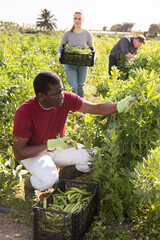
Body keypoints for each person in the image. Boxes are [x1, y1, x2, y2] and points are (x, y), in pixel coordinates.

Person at [13, 71, 135, 199]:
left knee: (93, 157)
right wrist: (50, 144)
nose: (61, 96)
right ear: (41, 96)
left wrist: (121, 105)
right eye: (55, 94)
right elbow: (19, 153)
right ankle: (30, 185)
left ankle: (61, 177)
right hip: (34, 154)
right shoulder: (25, 113)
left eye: (61, 90)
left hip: (57, 147)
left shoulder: (66, 99)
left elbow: (98, 109)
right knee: (47, 179)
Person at [58, 10, 94, 98]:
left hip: (83, 64)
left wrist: (93, 59)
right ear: (73, 19)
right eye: (75, 18)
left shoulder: (87, 34)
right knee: (73, 87)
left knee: (81, 86)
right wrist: (59, 56)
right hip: (70, 64)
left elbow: (92, 48)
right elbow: (61, 47)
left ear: (83, 20)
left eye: (79, 19)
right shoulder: (68, 34)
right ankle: (72, 108)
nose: (77, 20)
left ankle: (81, 109)